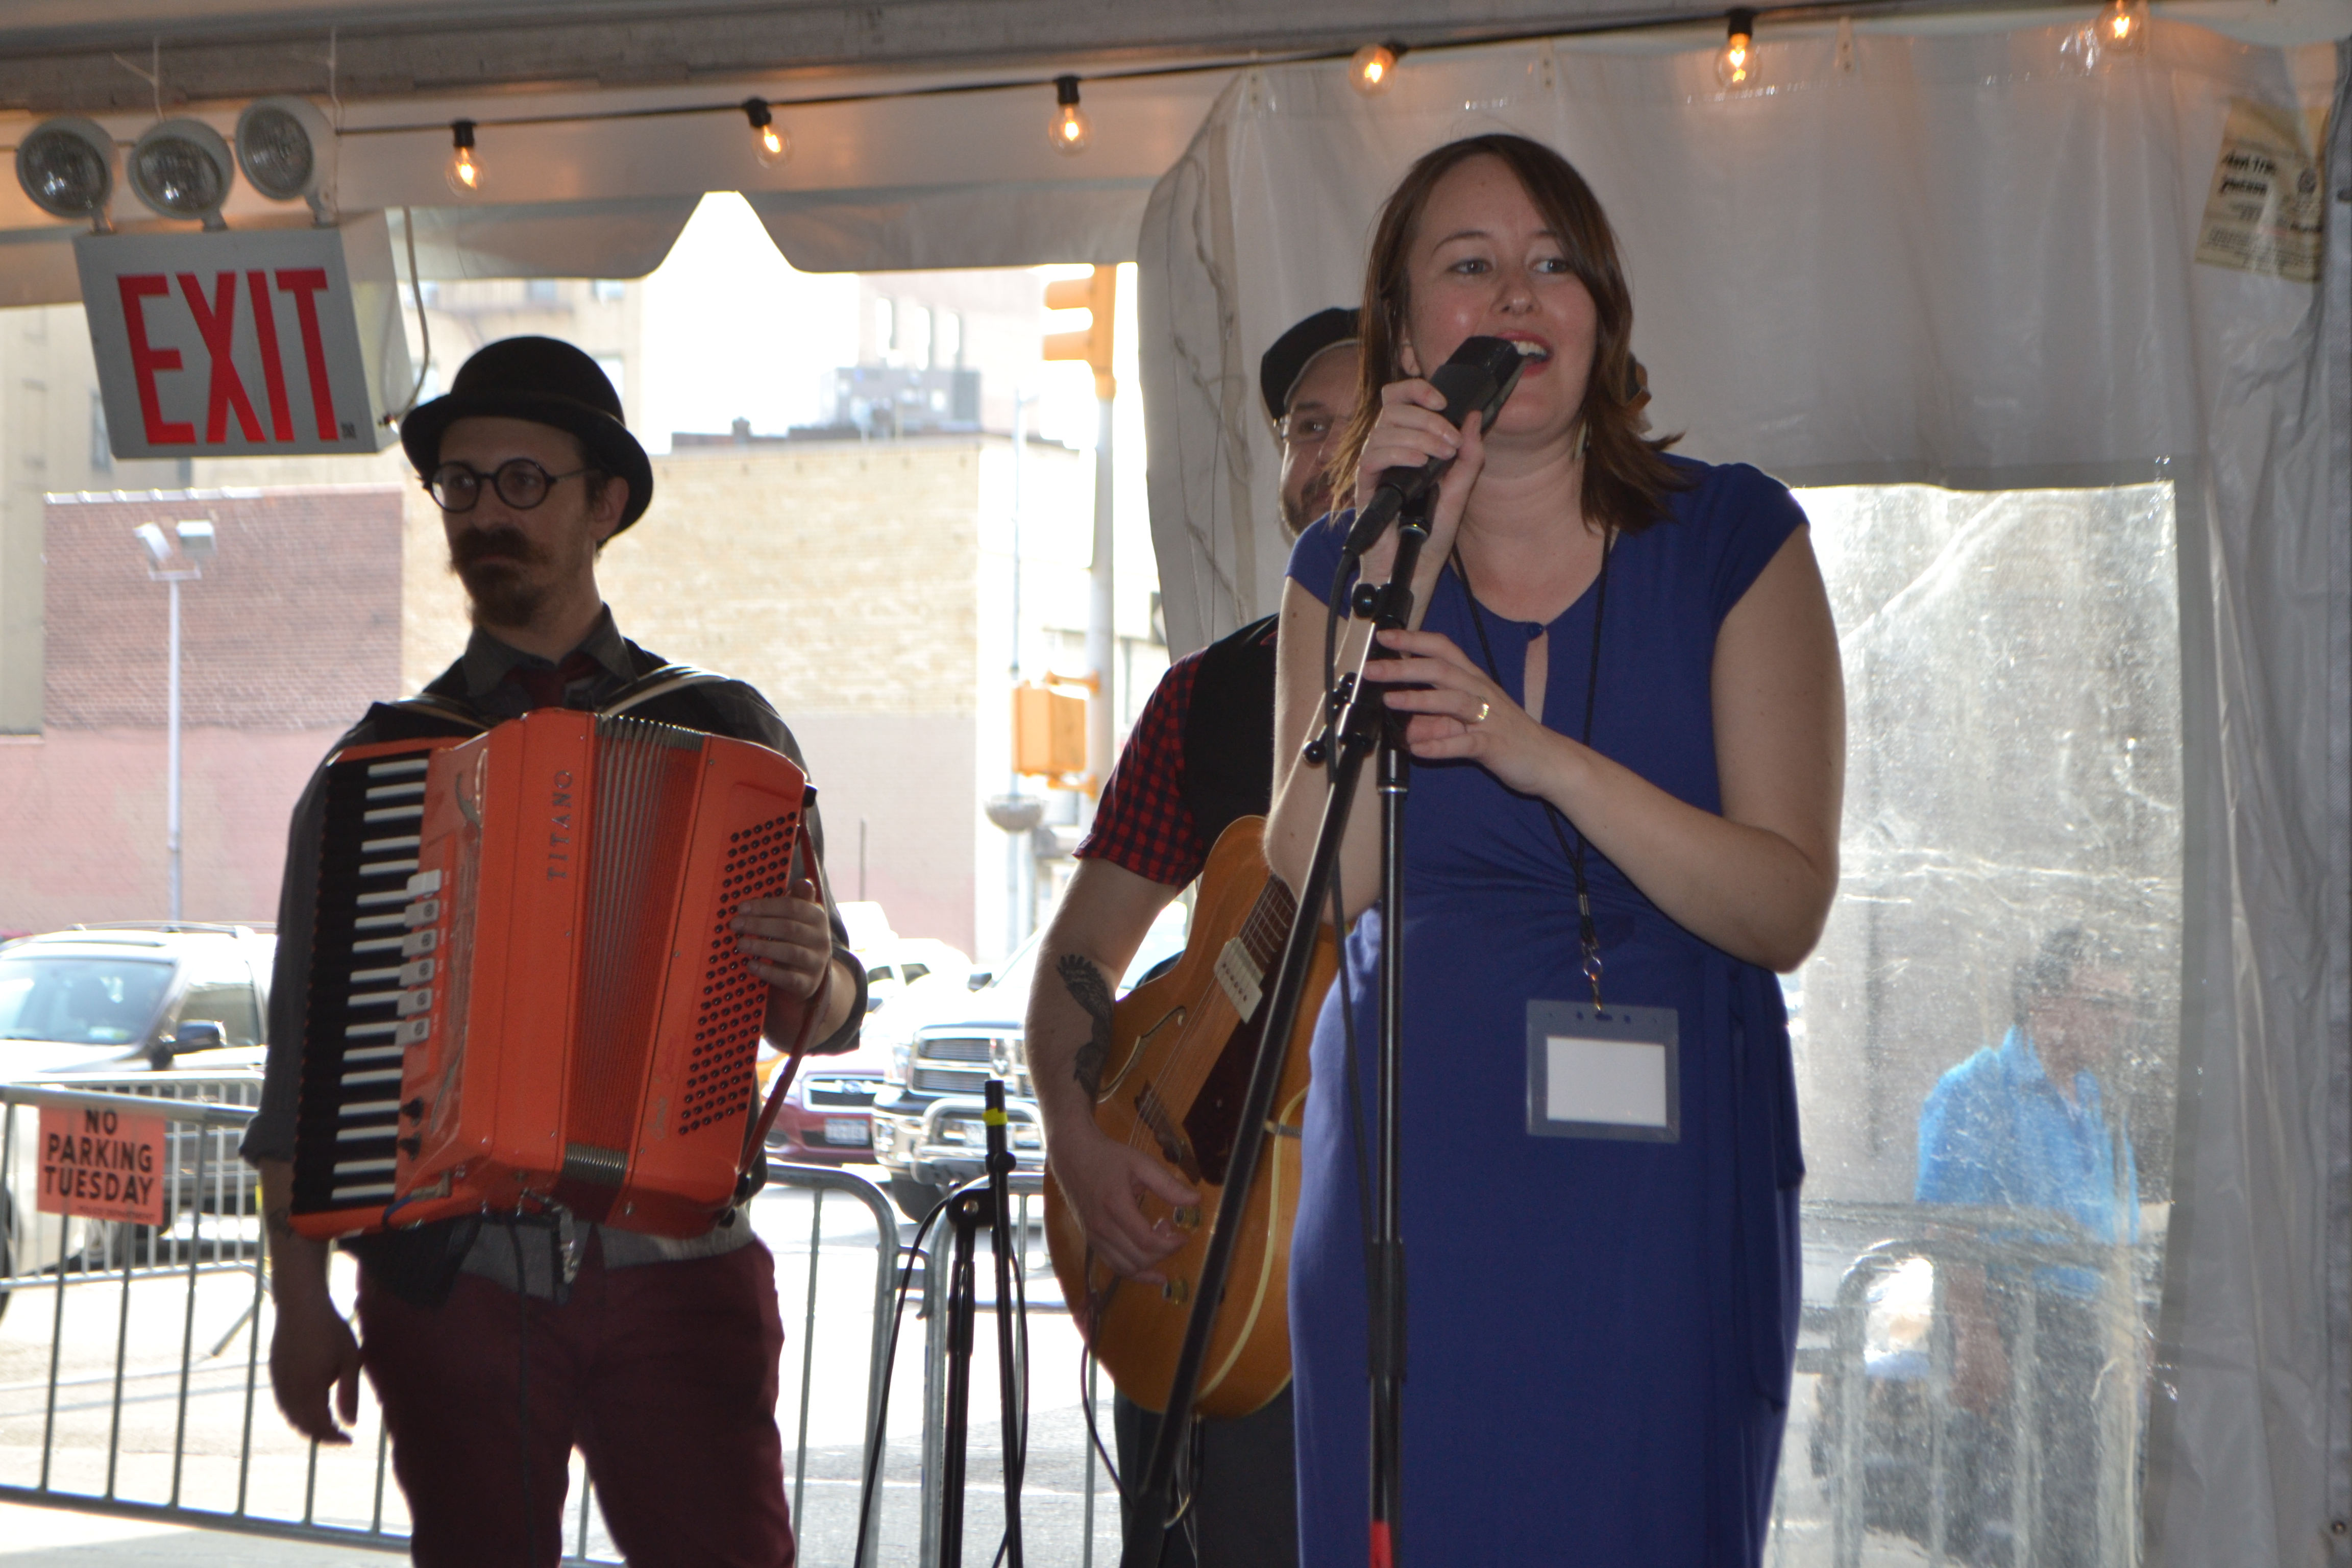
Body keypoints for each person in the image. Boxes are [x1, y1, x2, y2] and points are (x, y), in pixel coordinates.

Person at [1263, 134, 1844, 1564]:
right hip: (1416, 1173)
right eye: (1470, 265)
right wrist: (1404, 558)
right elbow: (1322, 873)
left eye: (1553, 263)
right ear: (1406, 331)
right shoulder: (1347, 564)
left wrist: (1540, 757)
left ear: (1602, 311)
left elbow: (1783, 904)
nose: (1518, 294)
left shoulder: (1734, 537)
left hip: (1662, 1187)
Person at [238, 336, 866, 1568]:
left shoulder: (723, 730)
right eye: (462, 485)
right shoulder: (378, 767)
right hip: (451, 1278)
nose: (487, 514)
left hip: (678, 1273)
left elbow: (824, 1009)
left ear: (604, 504)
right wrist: (300, 1304)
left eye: (524, 481)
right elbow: (302, 1070)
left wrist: (817, 976)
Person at [1027, 306, 1360, 1568]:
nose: (1327, 459)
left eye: (1362, 426)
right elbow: (1081, 956)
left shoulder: (1504, 677)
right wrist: (1078, 1141)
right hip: (1206, 1246)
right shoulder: (1203, 696)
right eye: (1305, 429)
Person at [1910, 926, 2141, 1567]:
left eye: (2128, 1006)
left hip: (2085, 1337)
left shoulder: (2097, 1100)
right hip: (2015, 1323)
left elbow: (2117, 1240)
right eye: (2103, 1003)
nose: (2120, 1022)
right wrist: (1976, 1331)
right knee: (2014, 1524)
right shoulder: (1978, 1088)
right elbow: (1950, 1225)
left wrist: (2132, 1336)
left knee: (2081, 1525)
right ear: (2044, 1001)